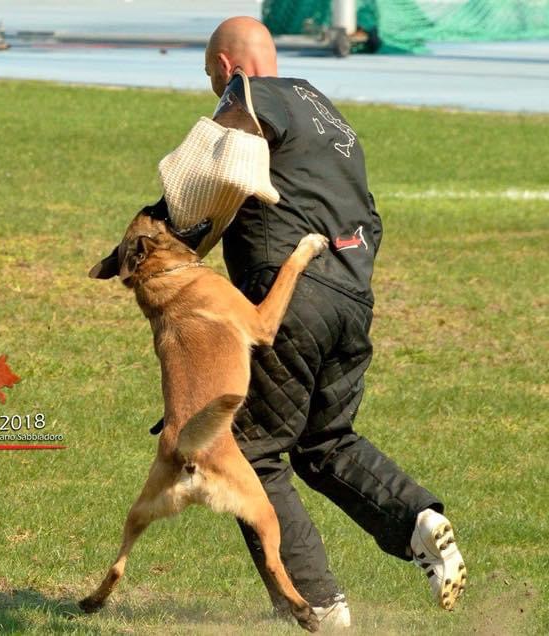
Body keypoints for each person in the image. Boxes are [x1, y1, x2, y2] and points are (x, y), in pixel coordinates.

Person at [192, 17, 466, 627]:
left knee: (248, 451)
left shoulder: (251, 93)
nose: (215, 89)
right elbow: (372, 215)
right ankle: (419, 519)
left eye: (212, 76)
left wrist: (163, 230)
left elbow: (209, 171)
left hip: (290, 298)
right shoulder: (327, 112)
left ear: (230, 67)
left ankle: (315, 605)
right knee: (325, 442)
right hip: (351, 299)